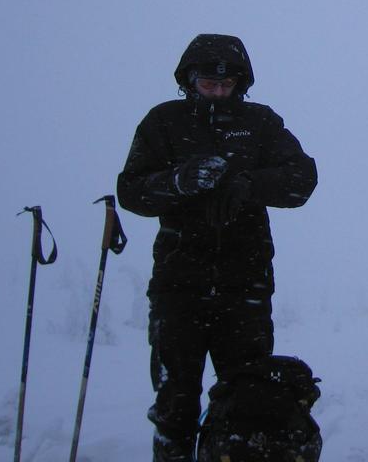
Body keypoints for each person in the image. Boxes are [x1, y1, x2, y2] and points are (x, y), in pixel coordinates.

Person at [117, 34, 318, 462]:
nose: (218, 91)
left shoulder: (261, 122)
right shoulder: (164, 122)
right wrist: (179, 181)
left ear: (241, 83)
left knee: (247, 399)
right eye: (209, 83)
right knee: (175, 403)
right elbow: (131, 191)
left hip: (245, 283)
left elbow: (302, 179)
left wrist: (249, 184)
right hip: (179, 283)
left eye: (227, 85)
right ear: (190, 79)